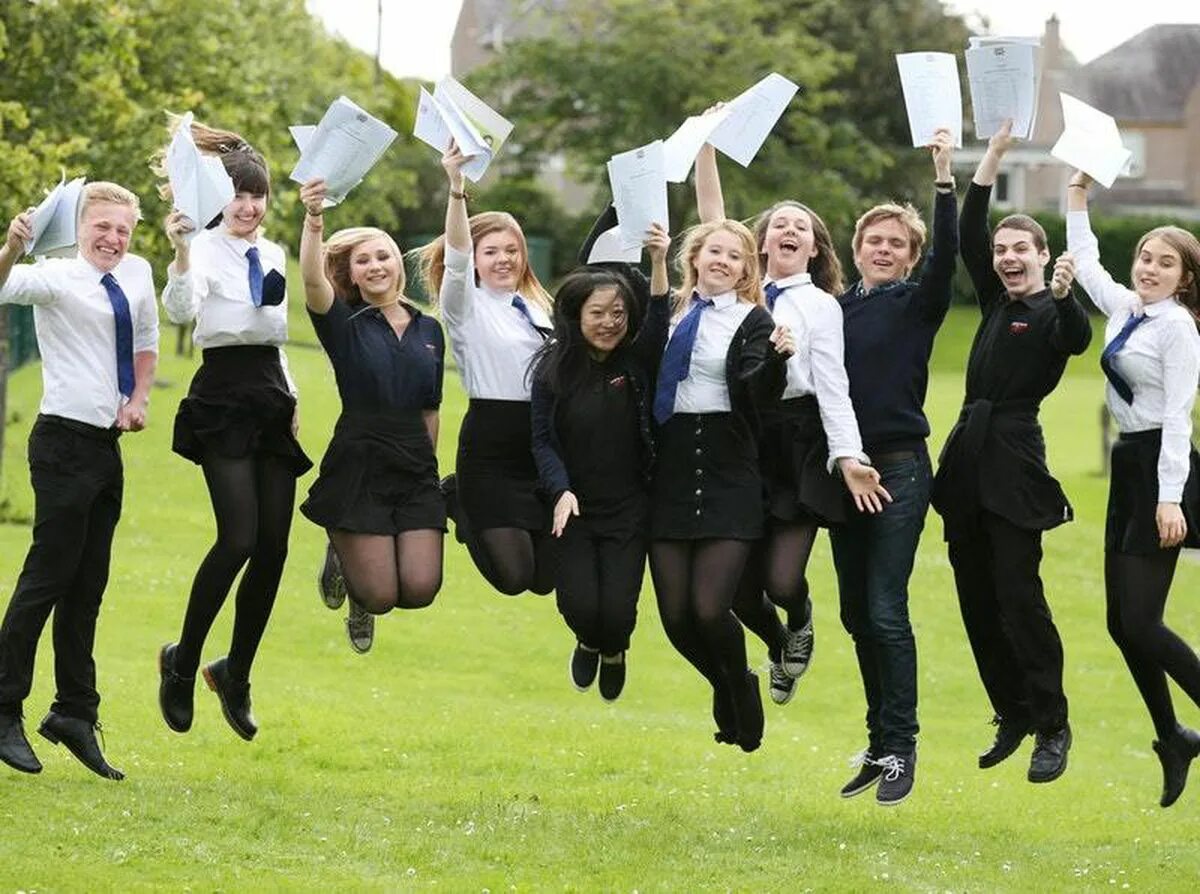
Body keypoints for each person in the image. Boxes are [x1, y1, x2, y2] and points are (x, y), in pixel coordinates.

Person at [693, 142, 889, 708]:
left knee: (780, 582)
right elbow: (712, 221)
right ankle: (780, 645)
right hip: (743, 438)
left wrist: (848, 457)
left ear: (813, 246)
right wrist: (706, 149)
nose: (789, 229)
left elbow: (833, 387)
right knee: (736, 590)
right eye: (779, 223)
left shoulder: (823, 305)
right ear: (761, 242)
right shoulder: (740, 291)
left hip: (798, 442)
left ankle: (799, 617)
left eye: (800, 226)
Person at [931, 120, 1091, 785]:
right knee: (975, 598)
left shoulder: (1053, 309)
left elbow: (1079, 340)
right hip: (966, 459)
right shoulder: (996, 298)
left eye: (1019, 248)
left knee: (1019, 599)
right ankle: (1012, 712)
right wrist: (992, 156)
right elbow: (967, 233)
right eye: (1002, 249)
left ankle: (1053, 724)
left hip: (1016, 463)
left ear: (1042, 252)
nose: (1006, 256)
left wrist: (1062, 294)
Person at [155, 119, 312, 742]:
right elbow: (184, 312)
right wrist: (181, 251)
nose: (248, 207)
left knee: (275, 546)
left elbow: (272, 335)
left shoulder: (271, 253)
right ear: (218, 198)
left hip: (272, 392)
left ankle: (236, 671)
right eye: (238, 195)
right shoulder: (204, 245)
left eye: (257, 196)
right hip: (222, 396)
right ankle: (183, 660)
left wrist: (294, 395)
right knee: (240, 538)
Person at [0, 182, 158, 780]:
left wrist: (139, 398)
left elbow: (144, 340)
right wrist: (13, 246)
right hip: (62, 442)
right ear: (79, 227)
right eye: (103, 227)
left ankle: (73, 712)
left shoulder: (139, 272)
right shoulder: (53, 275)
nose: (114, 238)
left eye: (123, 229)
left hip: (106, 447)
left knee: (88, 585)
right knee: (46, 578)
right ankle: (3, 704)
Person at [831, 128, 957, 806]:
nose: (884, 250)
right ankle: (878, 743)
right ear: (858, 250)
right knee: (855, 613)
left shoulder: (915, 304)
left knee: (884, 607)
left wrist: (943, 182)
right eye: (874, 240)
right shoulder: (835, 310)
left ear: (909, 260)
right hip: (843, 471)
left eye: (896, 244)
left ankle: (902, 747)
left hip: (900, 469)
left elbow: (948, 259)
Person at [1067, 169, 1200, 807]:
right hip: (1129, 469)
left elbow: (1178, 415)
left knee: (1141, 623)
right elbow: (1089, 263)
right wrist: (1076, 194)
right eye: (1145, 257)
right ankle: (1172, 735)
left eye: (1164, 262)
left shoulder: (1178, 329)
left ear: (1185, 278)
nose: (1149, 268)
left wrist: (1170, 496)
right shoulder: (1128, 310)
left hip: (1160, 470)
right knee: (1122, 624)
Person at [649, 216, 793, 752]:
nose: (723, 262)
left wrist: (778, 361)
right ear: (695, 257)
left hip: (729, 467)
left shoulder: (754, 319)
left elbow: (758, 392)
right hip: (669, 467)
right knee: (677, 618)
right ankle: (728, 681)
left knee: (711, 608)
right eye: (715, 251)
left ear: (746, 269)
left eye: (736, 257)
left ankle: (741, 689)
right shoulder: (663, 313)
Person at [297, 178, 446, 647]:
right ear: (353, 275)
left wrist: (429, 467)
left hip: (414, 466)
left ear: (398, 262)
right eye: (363, 260)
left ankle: (353, 560)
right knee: (380, 595)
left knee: (421, 590)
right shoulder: (343, 324)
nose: (376, 265)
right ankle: (349, 566)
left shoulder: (430, 329)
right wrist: (315, 218)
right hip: (360, 463)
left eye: (383, 255)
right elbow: (311, 279)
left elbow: (431, 408)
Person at [529, 227, 671, 701]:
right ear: (576, 315)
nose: (609, 322)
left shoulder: (636, 363)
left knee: (618, 612)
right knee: (580, 605)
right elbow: (542, 440)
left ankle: (614, 649)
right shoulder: (552, 370)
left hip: (629, 508)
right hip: (572, 509)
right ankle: (590, 641)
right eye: (597, 314)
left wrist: (657, 260)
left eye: (617, 314)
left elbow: (657, 316)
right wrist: (560, 490)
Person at [419, 143, 556, 596]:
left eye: (512, 250)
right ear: (476, 261)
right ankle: (458, 498)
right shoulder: (466, 306)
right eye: (492, 251)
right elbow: (454, 258)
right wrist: (457, 188)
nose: (504, 259)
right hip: (491, 446)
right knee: (513, 580)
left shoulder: (542, 308)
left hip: (539, 443)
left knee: (543, 581)